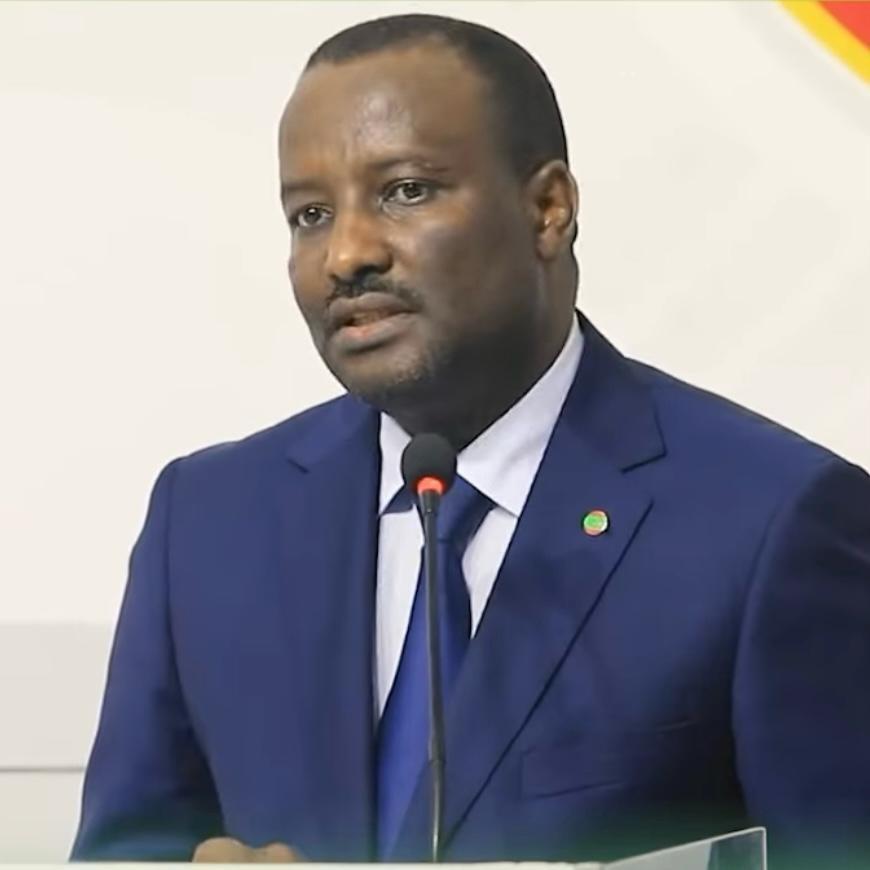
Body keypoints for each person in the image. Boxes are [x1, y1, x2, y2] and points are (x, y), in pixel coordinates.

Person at [71, 13, 870, 868]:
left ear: (548, 209)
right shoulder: (208, 521)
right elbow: (128, 852)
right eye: (310, 214)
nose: (345, 254)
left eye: (406, 191)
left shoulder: (772, 522)